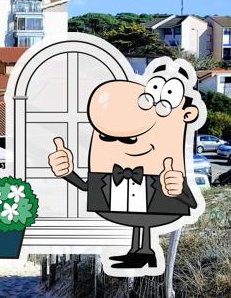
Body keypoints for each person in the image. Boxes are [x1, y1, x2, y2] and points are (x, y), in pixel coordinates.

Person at [48, 58, 201, 270]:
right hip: (123, 201)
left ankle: (145, 252)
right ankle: (140, 252)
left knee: (145, 219)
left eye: (129, 138)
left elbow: (190, 202)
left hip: (156, 197)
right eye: (108, 138)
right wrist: (67, 172)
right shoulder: (107, 173)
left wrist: (177, 189)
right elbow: (86, 186)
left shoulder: (167, 168)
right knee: (139, 220)